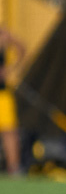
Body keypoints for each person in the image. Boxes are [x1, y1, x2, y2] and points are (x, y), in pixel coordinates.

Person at [0, 24, 27, 175]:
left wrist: (10, 69)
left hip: (2, 92)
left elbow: (21, 48)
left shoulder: (2, 35)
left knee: (9, 131)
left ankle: (14, 167)